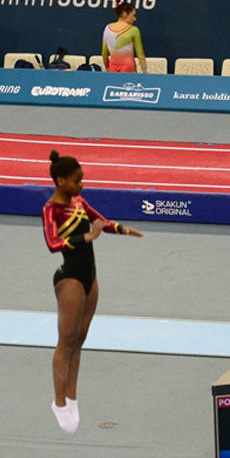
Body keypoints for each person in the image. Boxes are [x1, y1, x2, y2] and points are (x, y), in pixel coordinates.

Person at [42, 150, 143, 433]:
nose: (82, 184)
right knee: (66, 340)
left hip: (90, 277)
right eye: (77, 180)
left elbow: (102, 221)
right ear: (61, 181)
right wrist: (87, 236)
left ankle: (72, 395)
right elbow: (53, 243)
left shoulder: (79, 201)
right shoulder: (51, 210)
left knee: (80, 338)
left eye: (82, 179)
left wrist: (123, 229)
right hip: (70, 278)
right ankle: (58, 401)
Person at [101, 1, 145, 73]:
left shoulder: (107, 28)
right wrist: (145, 73)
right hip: (129, 68)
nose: (135, 19)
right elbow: (141, 56)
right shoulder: (134, 30)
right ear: (125, 14)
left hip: (112, 68)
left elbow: (104, 54)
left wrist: (108, 69)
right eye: (133, 15)